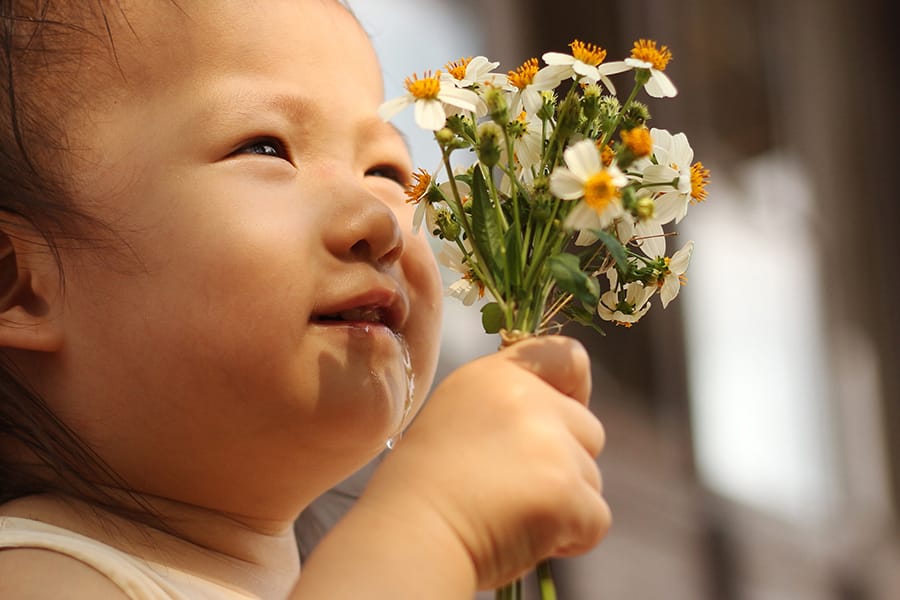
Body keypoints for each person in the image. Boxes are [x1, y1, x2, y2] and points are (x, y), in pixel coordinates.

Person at [0, 1, 611, 598]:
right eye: (265, 148)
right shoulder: (35, 575)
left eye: (389, 172)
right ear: (19, 286)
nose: (381, 220)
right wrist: (434, 524)